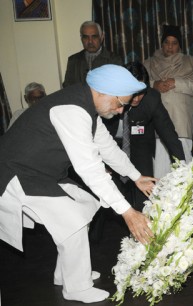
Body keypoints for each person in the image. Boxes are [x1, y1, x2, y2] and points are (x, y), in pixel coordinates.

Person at [0, 64, 155, 303]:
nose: (121, 110)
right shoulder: (73, 110)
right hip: (17, 174)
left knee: (83, 205)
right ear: (102, 91)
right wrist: (127, 212)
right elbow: (90, 169)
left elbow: (107, 149)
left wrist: (136, 176)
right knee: (72, 218)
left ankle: (67, 274)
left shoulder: (88, 107)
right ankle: (76, 287)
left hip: (40, 173)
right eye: (120, 103)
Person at [103, 61, 185, 208]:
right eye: (132, 92)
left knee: (145, 196)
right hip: (110, 146)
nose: (136, 98)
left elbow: (169, 135)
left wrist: (182, 166)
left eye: (141, 92)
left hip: (140, 145)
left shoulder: (151, 99)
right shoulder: (108, 97)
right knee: (113, 198)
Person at [143, 25, 193, 178]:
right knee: (160, 175)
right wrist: (154, 84)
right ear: (162, 44)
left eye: (174, 43)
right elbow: (137, 85)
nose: (170, 46)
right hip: (155, 128)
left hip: (181, 124)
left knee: (183, 175)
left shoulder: (191, 63)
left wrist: (176, 82)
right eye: (167, 42)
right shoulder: (148, 64)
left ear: (179, 45)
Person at [62, 21, 122, 88]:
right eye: (86, 37)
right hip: (78, 98)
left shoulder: (114, 60)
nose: (90, 41)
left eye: (94, 37)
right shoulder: (73, 60)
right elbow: (67, 88)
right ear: (81, 39)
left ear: (101, 37)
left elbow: (118, 87)